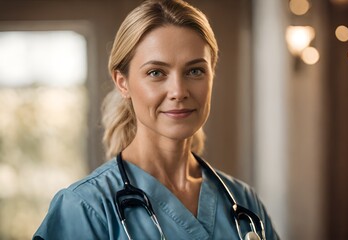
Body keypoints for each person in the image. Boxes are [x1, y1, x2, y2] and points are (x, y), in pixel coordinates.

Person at [33, 0, 280, 239]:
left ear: (211, 75)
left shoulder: (243, 202)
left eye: (195, 71)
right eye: (156, 73)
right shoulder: (84, 208)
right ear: (123, 83)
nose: (179, 91)